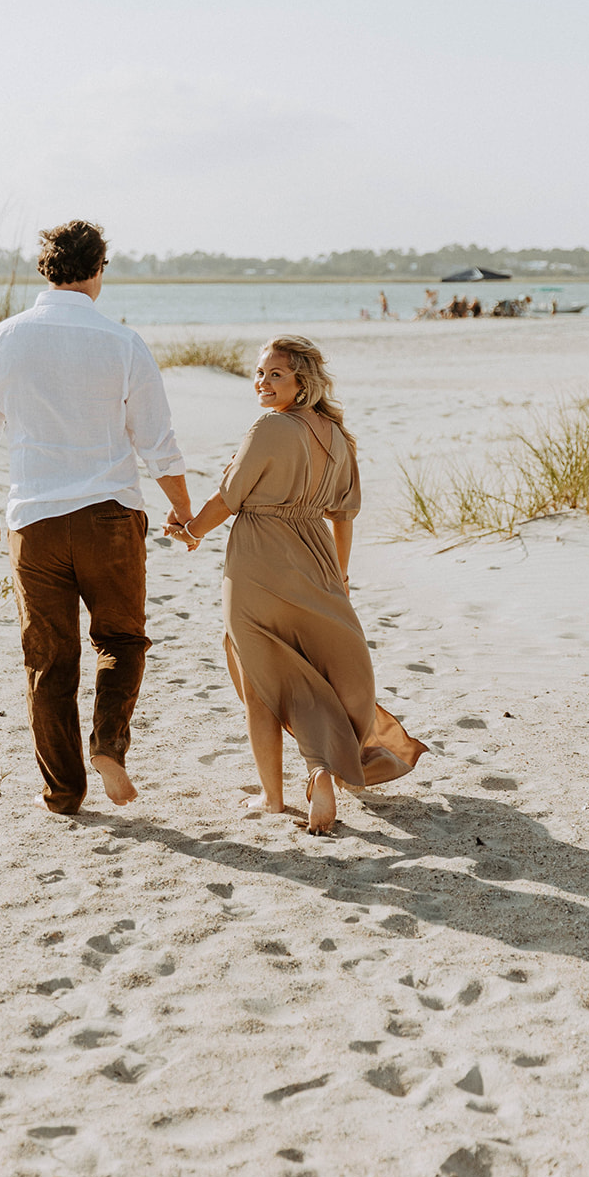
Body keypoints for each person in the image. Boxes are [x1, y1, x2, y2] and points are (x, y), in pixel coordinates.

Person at [0, 220, 194, 815]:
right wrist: (183, 507)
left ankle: (64, 791)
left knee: (48, 657)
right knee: (120, 638)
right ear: (98, 269)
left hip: (35, 523)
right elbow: (157, 439)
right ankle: (109, 743)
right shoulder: (122, 342)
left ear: (46, 269)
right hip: (109, 518)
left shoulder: (2, 338)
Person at [167, 335, 427, 834]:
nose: (262, 383)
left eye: (275, 375)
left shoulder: (270, 427)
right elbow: (344, 516)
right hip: (316, 561)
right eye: (260, 374)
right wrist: (340, 577)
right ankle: (321, 769)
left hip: (257, 562)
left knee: (262, 676)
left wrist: (191, 531)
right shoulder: (338, 436)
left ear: (302, 381)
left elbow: (230, 496)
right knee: (318, 673)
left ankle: (273, 796)